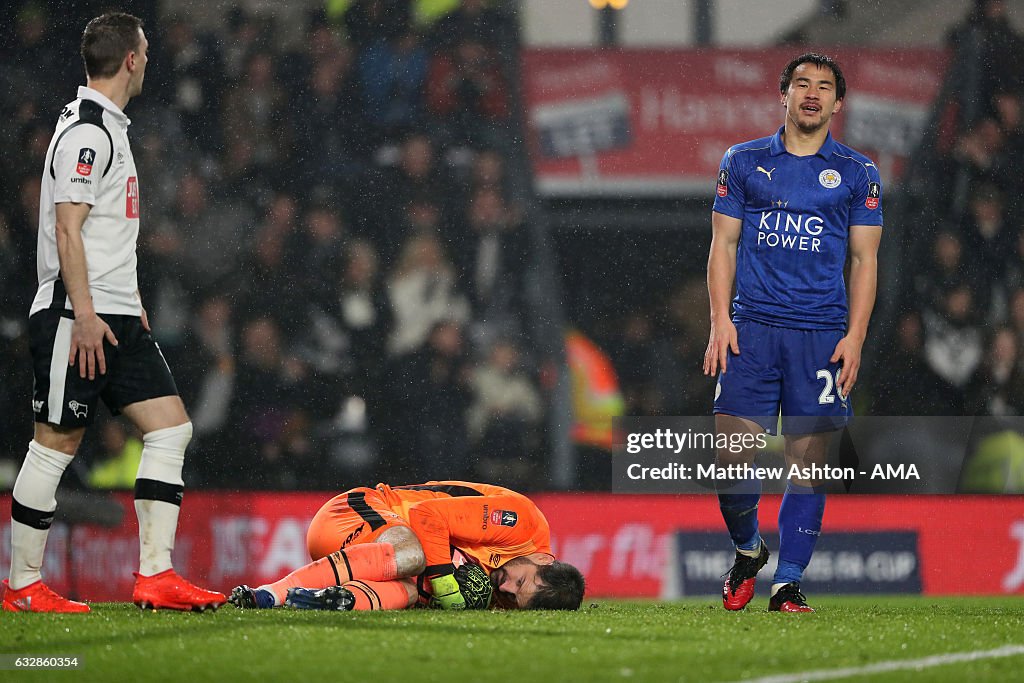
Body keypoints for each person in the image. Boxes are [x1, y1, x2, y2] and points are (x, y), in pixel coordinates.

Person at [2, 13, 225, 613]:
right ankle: (22, 585)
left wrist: (129, 304)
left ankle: (155, 574)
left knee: (171, 429)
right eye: (145, 50)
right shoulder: (88, 132)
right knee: (53, 444)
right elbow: (67, 230)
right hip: (79, 316)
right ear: (131, 58)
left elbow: (102, 232)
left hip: (117, 314)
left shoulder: (110, 129)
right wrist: (87, 312)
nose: (149, 59)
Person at [704, 53, 883, 613]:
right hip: (752, 331)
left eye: (824, 86)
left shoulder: (859, 173)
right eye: (801, 83)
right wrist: (719, 320)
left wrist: (854, 337)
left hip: (821, 336)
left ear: (837, 103)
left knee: (809, 467)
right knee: (731, 461)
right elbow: (723, 245)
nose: (812, 93)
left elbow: (864, 261)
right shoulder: (744, 160)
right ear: (783, 95)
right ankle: (747, 548)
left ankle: (788, 582)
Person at [228, 480, 585, 611]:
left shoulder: (511, 588)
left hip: (367, 561)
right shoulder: (519, 520)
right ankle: (271, 592)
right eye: (519, 581)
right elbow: (428, 515)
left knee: (415, 593)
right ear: (541, 557)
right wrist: (445, 582)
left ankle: (339, 599)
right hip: (356, 511)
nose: (504, 587)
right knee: (419, 561)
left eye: (513, 597)